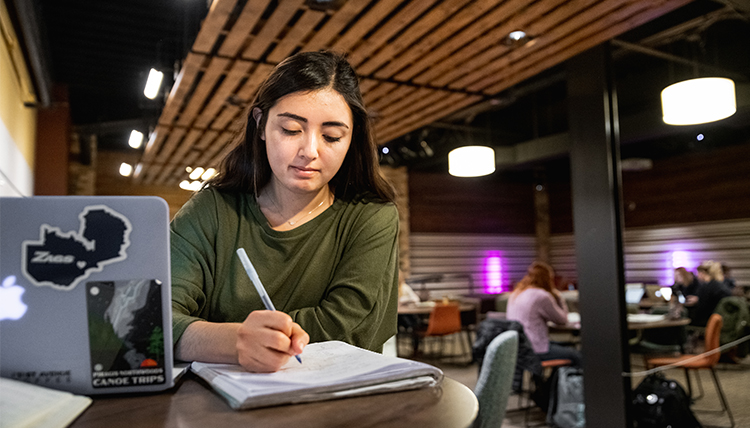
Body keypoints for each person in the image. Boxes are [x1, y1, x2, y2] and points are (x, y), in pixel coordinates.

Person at [169, 51, 400, 373]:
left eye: (332, 136)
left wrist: (213, 332)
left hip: (336, 400)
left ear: (351, 140)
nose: (309, 151)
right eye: (291, 129)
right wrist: (236, 341)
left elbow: (349, 329)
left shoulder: (369, 217)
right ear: (261, 125)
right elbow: (155, 319)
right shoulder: (212, 210)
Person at [506, 261, 582, 367]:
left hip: (517, 348)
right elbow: (562, 320)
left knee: (563, 346)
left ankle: (550, 382)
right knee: (576, 355)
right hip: (536, 349)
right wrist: (559, 297)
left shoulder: (516, 293)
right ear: (548, 279)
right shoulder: (542, 296)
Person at [687, 260, 732, 327]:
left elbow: (701, 311)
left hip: (707, 322)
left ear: (703, 273)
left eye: (698, 273)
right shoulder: (721, 285)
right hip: (722, 322)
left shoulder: (706, 287)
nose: (697, 276)